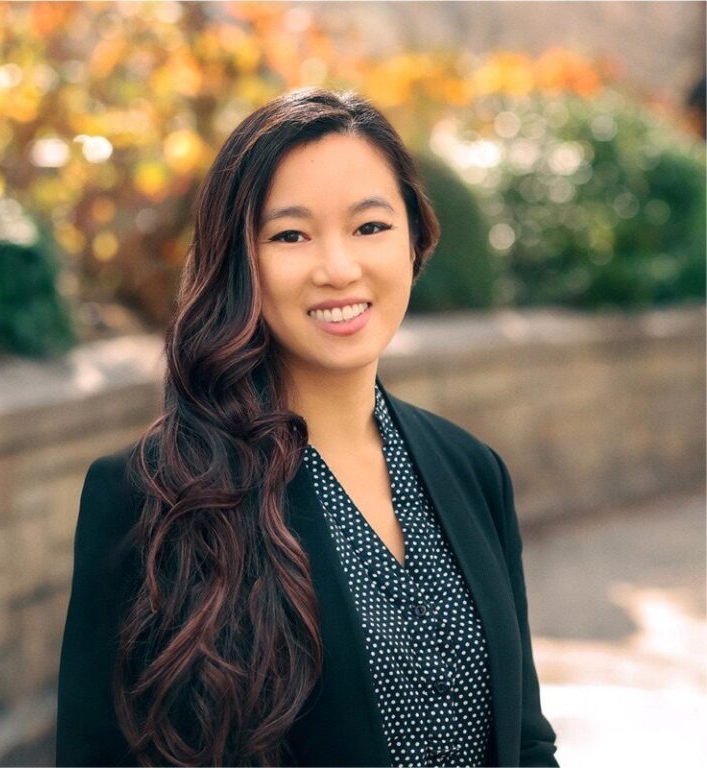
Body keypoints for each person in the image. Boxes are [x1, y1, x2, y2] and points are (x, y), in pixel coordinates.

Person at [56, 86, 559, 768]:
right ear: (242, 261)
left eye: (370, 227)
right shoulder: (150, 494)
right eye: (290, 234)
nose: (339, 269)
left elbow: (525, 742)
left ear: (414, 240)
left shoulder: (472, 469)